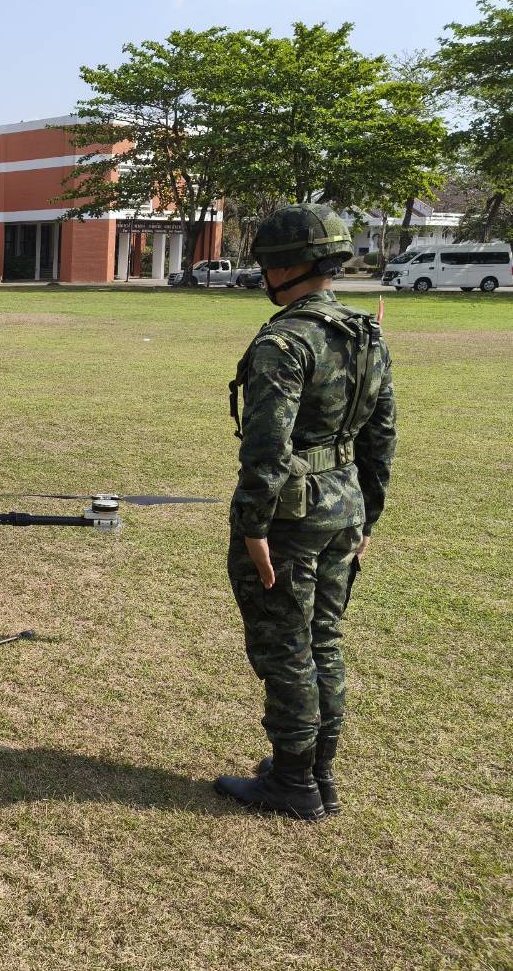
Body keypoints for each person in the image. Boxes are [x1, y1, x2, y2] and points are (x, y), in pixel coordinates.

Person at [216, 204, 396, 820]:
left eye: (267, 263)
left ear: (287, 266)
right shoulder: (363, 332)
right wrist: (368, 514)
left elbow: (267, 448)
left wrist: (252, 528)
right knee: (323, 637)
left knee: (287, 646)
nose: (263, 275)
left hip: (291, 518)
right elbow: (381, 433)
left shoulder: (284, 340)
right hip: (343, 505)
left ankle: (293, 783)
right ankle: (316, 770)